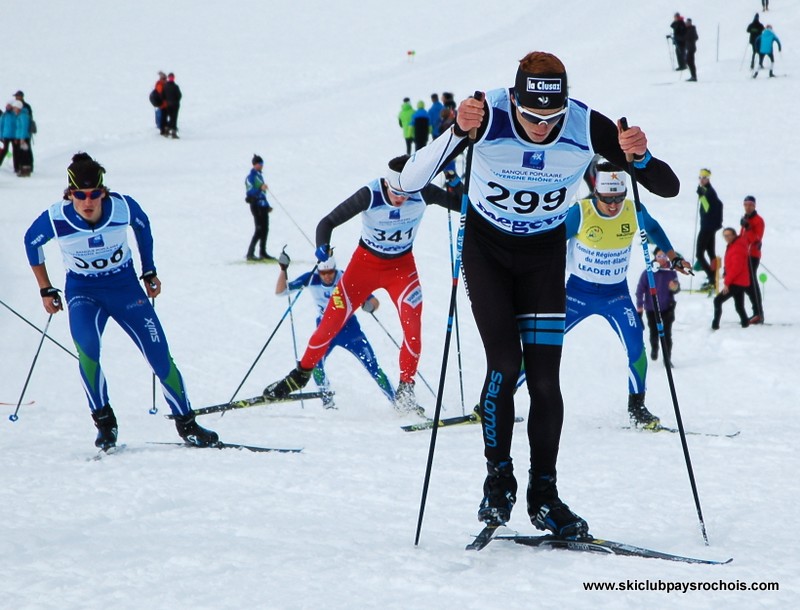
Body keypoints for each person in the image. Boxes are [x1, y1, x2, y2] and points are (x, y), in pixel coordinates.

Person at [397, 51, 680, 538]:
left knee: (546, 381)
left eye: (551, 117)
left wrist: (641, 155)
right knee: (505, 366)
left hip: (543, 256)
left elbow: (667, 187)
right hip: (487, 252)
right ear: (516, 101)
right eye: (530, 115)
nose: (540, 127)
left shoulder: (588, 124)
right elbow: (409, 180)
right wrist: (458, 134)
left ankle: (543, 495)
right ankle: (497, 479)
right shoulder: (486, 113)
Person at [22, 153, 218, 450]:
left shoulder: (122, 208)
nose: (88, 202)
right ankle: (105, 424)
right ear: (69, 194)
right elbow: (31, 242)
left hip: (125, 290)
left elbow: (143, 226)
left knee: (159, 355)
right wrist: (45, 289)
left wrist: (148, 269)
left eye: (95, 194)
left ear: (104, 191)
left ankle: (187, 424)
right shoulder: (56, 217)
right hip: (83, 293)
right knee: (88, 352)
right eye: (80, 195)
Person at [262, 155, 463, 413]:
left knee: (413, 327)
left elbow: (465, 205)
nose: (401, 199)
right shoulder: (371, 193)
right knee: (328, 325)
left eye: (406, 193)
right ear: (387, 184)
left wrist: (454, 180)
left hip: (401, 269)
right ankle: (299, 375)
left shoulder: (422, 191)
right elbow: (327, 222)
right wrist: (322, 246)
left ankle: (406, 389)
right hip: (363, 268)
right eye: (396, 192)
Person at [515, 164, 689, 429]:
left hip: (615, 295)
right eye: (607, 199)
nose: (613, 205)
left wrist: (673, 256)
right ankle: (498, 399)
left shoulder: (633, 211)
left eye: (618, 198)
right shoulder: (581, 213)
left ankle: (637, 407)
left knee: (636, 346)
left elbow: (653, 229)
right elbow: (550, 242)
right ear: (596, 193)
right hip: (577, 294)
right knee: (539, 345)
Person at [275, 252, 395, 408]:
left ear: (335, 269)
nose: (327, 276)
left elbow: (373, 301)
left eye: (330, 272)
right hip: (325, 331)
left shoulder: (345, 278)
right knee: (316, 366)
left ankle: (397, 402)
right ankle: (328, 403)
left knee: (373, 367)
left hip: (350, 330)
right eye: (323, 273)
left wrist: (370, 306)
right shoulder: (311, 277)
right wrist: (283, 269)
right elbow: (281, 292)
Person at [636, 247, 681, 368]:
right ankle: (654, 347)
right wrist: (639, 306)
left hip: (668, 307)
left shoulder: (671, 270)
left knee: (667, 334)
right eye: (659, 256)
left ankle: (667, 359)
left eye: (664, 256)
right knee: (654, 332)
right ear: (655, 257)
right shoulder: (648, 272)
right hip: (652, 308)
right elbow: (640, 290)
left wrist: (674, 287)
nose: (662, 259)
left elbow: (676, 289)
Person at [712, 228, 752, 330]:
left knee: (718, 300)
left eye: (729, 235)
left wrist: (727, 282)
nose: (727, 238)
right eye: (725, 236)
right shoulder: (733, 245)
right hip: (739, 281)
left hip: (737, 281)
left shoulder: (737, 247)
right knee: (739, 306)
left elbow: (736, 268)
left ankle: (715, 324)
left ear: (734, 235)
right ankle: (745, 323)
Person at [695, 168, 723, 290]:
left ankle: (712, 277)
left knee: (699, 254)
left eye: (704, 178)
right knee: (710, 252)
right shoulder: (708, 191)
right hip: (709, 226)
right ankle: (714, 278)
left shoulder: (709, 192)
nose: (702, 180)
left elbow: (707, 208)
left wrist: (701, 196)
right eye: (700, 177)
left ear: (708, 179)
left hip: (707, 227)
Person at [740, 195, 765, 323]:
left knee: (751, 283)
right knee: (747, 283)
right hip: (744, 255)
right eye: (746, 205)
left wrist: (748, 228)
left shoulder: (758, 220)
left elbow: (756, 238)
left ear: (754, 206)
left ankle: (758, 312)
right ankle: (756, 312)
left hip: (753, 255)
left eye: (750, 205)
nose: (748, 207)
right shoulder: (746, 219)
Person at [245, 154, 274, 261]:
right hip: (255, 205)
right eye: (259, 164)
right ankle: (250, 253)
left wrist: (267, 205)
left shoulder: (259, 176)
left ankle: (263, 252)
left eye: (262, 164)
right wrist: (260, 188)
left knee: (265, 229)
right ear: (254, 164)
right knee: (259, 229)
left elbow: (263, 194)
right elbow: (250, 191)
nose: (261, 166)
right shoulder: (251, 177)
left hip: (262, 205)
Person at [10, 99, 33, 177]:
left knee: (24, 155)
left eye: (15, 108)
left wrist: (22, 138)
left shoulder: (23, 116)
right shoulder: (19, 115)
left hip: (24, 138)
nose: (14, 110)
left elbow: (24, 128)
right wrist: (17, 138)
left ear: (18, 108)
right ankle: (22, 169)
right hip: (20, 138)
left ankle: (25, 170)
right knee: (21, 154)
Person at [161, 72, 182, 137]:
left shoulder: (165, 86)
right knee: (174, 118)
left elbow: (162, 96)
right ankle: (173, 132)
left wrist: (167, 101)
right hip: (175, 104)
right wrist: (176, 100)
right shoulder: (175, 87)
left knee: (171, 118)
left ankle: (167, 129)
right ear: (173, 78)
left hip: (168, 105)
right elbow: (179, 95)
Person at [0, 100, 15, 170]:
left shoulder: (14, 115)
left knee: (15, 150)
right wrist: (1, 136)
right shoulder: (4, 115)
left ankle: (16, 166)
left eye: (9, 106)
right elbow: (1, 126)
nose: (7, 107)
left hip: (13, 136)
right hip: (5, 136)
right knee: (5, 150)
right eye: (7, 106)